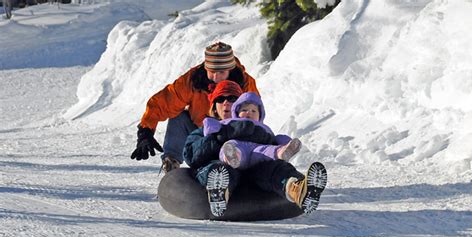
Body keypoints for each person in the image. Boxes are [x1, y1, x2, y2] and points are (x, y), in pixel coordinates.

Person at [183, 81, 327, 217]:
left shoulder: (258, 128)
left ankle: (296, 189)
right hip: (225, 169)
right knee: (220, 169)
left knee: (275, 168)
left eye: (232, 98)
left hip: (256, 175)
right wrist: (217, 137)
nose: (226, 102)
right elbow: (191, 156)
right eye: (221, 99)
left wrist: (276, 144)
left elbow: (267, 150)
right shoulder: (206, 129)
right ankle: (219, 192)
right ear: (214, 107)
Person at [130, 42, 259, 173]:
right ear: (205, 68)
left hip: (234, 136)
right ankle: (171, 164)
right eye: (212, 71)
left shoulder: (245, 84)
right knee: (179, 117)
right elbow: (163, 102)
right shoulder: (193, 80)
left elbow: (254, 114)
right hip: (201, 133)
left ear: (230, 70)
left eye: (221, 72)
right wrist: (145, 131)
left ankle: (239, 167)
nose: (216, 78)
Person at [202, 92, 302, 170]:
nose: (249, 112)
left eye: (254, 111)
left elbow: (274, 139)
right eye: (244, 110)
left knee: (267, 150)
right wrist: (210, 124)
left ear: (260, 115)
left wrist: (284, 142)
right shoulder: (230, 121)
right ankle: (232, 157)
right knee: (230, 145)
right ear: (236, 113)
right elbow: (215, 127)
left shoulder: (264, 127)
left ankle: (281, 153)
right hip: (238, 144)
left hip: (257, 149)